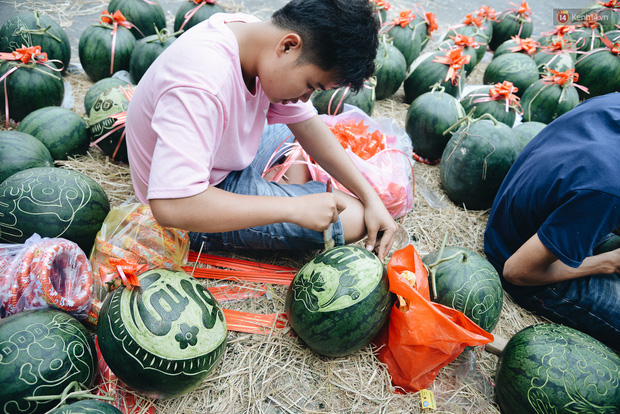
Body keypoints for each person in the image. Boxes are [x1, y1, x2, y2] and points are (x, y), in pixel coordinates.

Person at [125, 0, 398, 261]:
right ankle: (280, 194)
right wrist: (294, 209)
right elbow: (171, 206)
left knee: (305, 134)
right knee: (353, 219)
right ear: (289, 45)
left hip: (221, 154)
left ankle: (278, 189)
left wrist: (370, 196)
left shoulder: (252, 34)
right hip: (196, 202)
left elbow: (307, 125)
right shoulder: (201, 84)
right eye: (310, 85)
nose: (306, 98)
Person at [484, 93, 620, 350]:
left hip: (542, 208)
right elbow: (516, 271)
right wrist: (609, 262)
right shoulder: (607, 192)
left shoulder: (614, 101)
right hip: (523, 263)